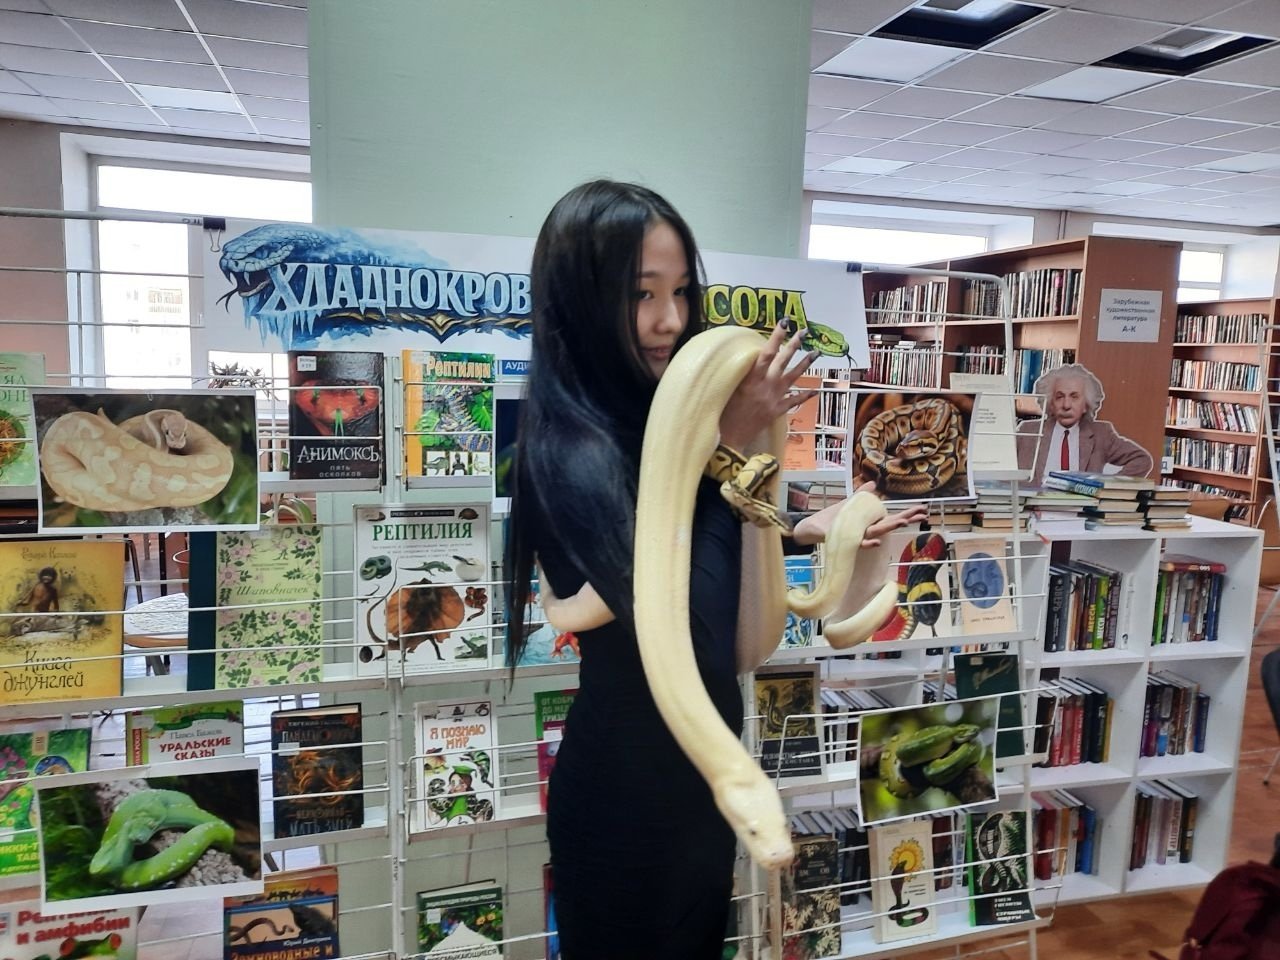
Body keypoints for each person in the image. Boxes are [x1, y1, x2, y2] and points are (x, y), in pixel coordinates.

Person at [503, 180, 923, 958]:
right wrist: (724, 447)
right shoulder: (571, 450)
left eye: (681, 292)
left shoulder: (667, 419)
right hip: (627, 792)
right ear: (581, 298)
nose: (669, 319)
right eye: (641, 293)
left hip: (700, 784)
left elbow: (731, 629)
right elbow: (689, 627)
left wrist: (800, 529)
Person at [1015, 362, 1153, 482]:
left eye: (1074, 397)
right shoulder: (1028, 431)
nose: (1066, 405)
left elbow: (1141, 460)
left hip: (1082, 503)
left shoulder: (1101, 434)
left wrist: (1107, 485)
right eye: (1059, 397)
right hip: (1037, 503)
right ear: (1050, 404)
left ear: (1086, 404)